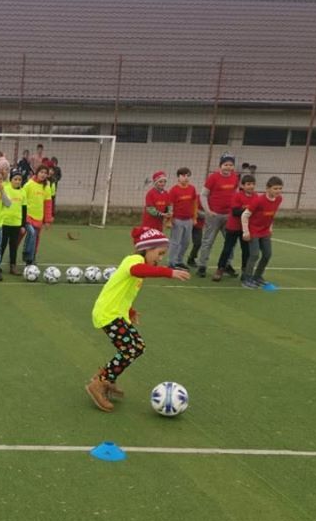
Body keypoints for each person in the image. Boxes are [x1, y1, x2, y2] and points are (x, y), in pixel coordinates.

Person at [85, 226, 190, 412]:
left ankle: (105, 378)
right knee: (130, 348)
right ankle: (99, 383)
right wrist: (169, 272)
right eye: (159, 253)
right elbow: (138, 270)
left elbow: (124, 291)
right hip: (109, 314)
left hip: (117, 313)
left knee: (137, 347)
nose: (160, 258)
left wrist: (131, 310)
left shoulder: (139, 264)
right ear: (147, 249)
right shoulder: (134, 260)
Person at [194, 152, 240, 277]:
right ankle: (202, 265)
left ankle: (226, 264)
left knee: (230, 242)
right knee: (208, 241)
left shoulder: (235, 177)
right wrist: (208, 210)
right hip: (214, 215)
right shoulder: (213, 178)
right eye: (226, 164)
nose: (228, 167)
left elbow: (235, 194)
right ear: (220, 165)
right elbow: (204, 195)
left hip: (229, 216)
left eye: (231, 165)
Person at [240, 176, 284, 288]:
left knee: (267, 254)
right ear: (268, 188)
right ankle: (247, 278)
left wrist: (270, 228)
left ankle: (257, 276)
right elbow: (245, 215)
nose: (278, 191)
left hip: (265, 231)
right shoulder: (259, 200)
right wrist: (246, 232)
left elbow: (271, 214)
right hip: (254, 230)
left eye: (280, 188)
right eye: (275, 188)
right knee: (254, 255)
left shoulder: (279, 199)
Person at [212, 174, 256, 282]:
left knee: (246, 251)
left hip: (245, 229)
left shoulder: (256, 197)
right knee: (227, 249)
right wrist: (250, 211)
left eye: (253, 184)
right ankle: (220, 269)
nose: (251, 186)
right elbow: (236, 212)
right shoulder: (237, 196)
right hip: (233, 227)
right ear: (243, 185)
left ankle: (245, 271)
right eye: (248, 184)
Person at [167, 167, 197, 269]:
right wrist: (169, 220)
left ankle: (179, 260)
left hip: (188, 220)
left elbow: (194, 203)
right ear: (178, 177)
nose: (186, 178)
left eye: (188, 176)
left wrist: (194, 217)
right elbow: (170, 206)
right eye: (183, 176)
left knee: (186, 242)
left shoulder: (192, 189)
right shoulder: (174, 190)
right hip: (177, 220)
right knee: (175, 242)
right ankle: (171, 262)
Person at [22, 164, 50, 265]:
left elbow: (48, 205)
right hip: (28, 216)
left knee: (36, 238)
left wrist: (47, 220)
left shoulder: (46, 187)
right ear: (37, 172)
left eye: (45, 173)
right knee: (31, 233)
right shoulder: (29, 185)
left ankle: (31, 258)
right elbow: (21, 200)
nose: (43, 175)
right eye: (41, 172)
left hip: (39, 217)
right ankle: (24, 255)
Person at [1, 169, 26, 274]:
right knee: (1, 245)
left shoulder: (23, 192)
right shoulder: (5, 189)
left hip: (16, 223)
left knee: (13, 246)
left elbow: (24, 209)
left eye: (19, 179)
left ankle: (13, 266)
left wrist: (23, 225)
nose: (17, 181)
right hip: (4, 222)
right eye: (15, 179)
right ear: (11, 180)